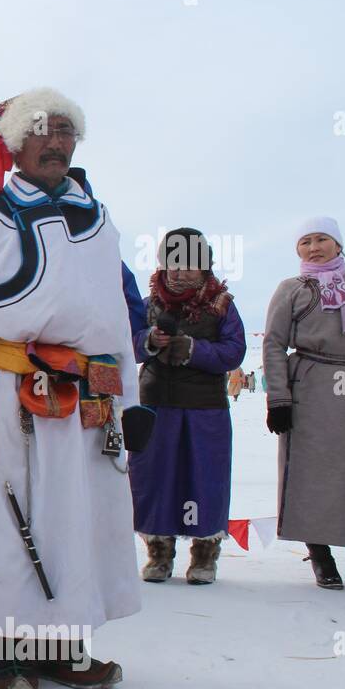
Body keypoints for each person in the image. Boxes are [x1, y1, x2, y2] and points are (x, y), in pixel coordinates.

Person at [0, 88, 153, 689]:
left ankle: (61, 648)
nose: (56, 142)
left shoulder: (99, 219)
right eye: (43, 130)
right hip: (3, 390)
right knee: (6, 516)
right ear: (15, 142)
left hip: (83, 398)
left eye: (65, 131)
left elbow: (113, 316)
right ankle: (7, 655)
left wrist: (130, 401)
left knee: (72, 518)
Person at [263, 217, 345, 589]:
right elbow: (273, 343)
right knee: (311, 470)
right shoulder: (290, 288)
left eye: (322, 239)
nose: (314, 247)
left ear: (338, 245)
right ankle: (321, 556)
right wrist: (279, 398)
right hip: (310, 385)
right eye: (305, 242)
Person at [129, 228, 246, 585]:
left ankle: (204, 555)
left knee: (204, 478)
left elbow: (234, 350)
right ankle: (159, 554)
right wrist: (149, 341)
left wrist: (194, 350)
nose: (180, 272)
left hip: (204, 408)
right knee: (155, 478)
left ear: (205, 267)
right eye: (172, 263)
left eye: (190, 264)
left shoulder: (221, 304)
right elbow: (127, 343)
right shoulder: (149, 305)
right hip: (155, 407)